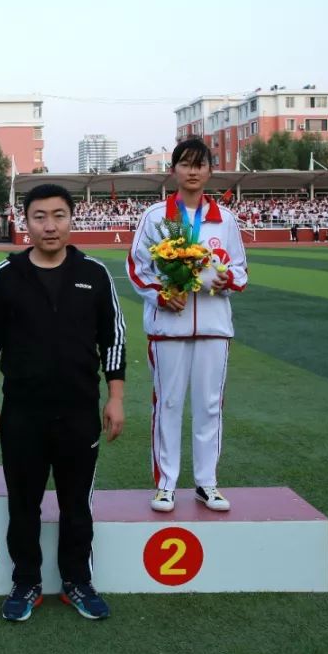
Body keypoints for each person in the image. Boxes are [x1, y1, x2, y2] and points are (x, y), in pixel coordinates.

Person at [0, 183, 126, 622]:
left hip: (80, 411)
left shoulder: (94, 274)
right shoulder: (5, 275)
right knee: (23, 503)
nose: (50, 225)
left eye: (58, 215)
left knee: (76, 503)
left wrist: (115, 398)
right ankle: (26, 582)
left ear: (72, 219)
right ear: (26, 222)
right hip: (22, 412)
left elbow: (113, 340)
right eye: (40, 216)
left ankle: (77, 580)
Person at [127, 138, 248, 514]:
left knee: (210, 406)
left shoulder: (225, 220)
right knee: (168, 403)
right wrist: (160, 295)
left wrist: (227, 280)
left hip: (214, 326)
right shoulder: (155, 218)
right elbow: (136, 268)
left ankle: (206, 483)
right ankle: (165, 485)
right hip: (168, 326)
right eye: (185, 164)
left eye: (200, 164)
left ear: (210, 170)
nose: (193, 171)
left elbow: (241, 270)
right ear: (173, 170)